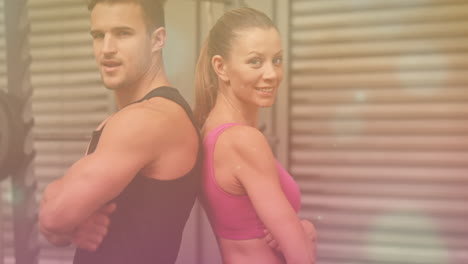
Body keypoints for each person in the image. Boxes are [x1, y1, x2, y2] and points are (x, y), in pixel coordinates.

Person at [38, 0, 201, 263]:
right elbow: (57, 233)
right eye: (98, 35)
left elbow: (53, 217)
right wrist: (66, 218)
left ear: (157, 39)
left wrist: (56, 200)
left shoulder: (149, 119)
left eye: (123, 33)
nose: (107, 49)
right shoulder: (118, 122)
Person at [194, 7, 316, 264]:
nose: (271, 74)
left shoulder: (209, 131)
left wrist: (303, 229)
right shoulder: (243, 140)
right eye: (255, 61)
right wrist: (304, 234)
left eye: (277, 60)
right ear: (221, 67)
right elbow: (300, 255)